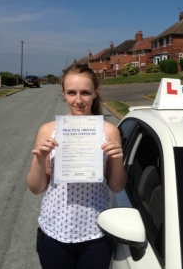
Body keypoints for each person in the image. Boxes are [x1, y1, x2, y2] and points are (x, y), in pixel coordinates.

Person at [26, 63, 128, 269]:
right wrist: (40, 158)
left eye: (85, 93)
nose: (79, 100)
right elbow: (36, 188)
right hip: (54, 230)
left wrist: (116, 160)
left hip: (96, 232)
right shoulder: (48, 130)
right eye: (71, 93)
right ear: (63, 93)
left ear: (95, 93)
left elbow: (116, 187)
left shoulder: (108, 131)